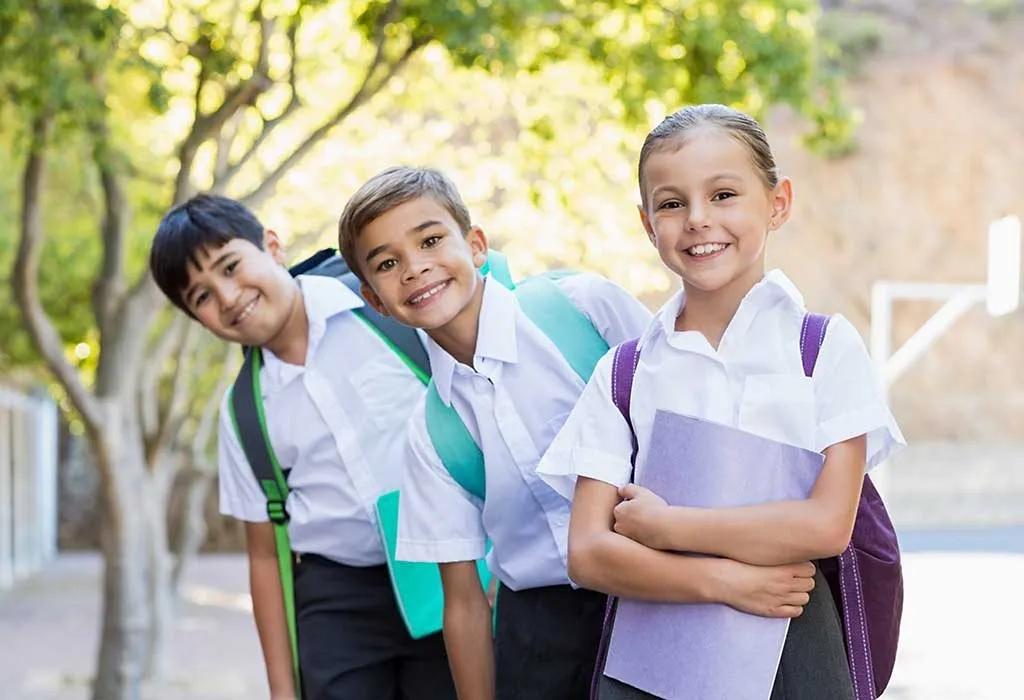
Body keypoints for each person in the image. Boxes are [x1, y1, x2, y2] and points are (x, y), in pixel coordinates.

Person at [337, 165, 820, 700]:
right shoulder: (431, 433)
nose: (415, 268)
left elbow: (696, 407)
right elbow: (465, 602)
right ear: (374, 299)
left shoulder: (579, 307)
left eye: (430, 240)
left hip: (667, 591)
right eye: (387, 263)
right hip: (541, 636)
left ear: (475, 245)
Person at [537, 103, 907, 700]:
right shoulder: (626, 372)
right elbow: (588, 552)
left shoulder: (821, 348)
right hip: (652, 655)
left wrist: (666, 526)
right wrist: (724, 582)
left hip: (792, 639)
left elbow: (825, 526)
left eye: (724, 194)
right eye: (672, 203)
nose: (698, 220)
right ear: (646, 222)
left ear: (778, 202)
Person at [148, 194, 456, 700]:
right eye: (201, 296)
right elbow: (265, 558)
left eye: (230, 266)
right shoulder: (245, 411)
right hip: (337, 599)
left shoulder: (383, 312)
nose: (226, 296)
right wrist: (281, 688)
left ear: (271, 246)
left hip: (447, 568)